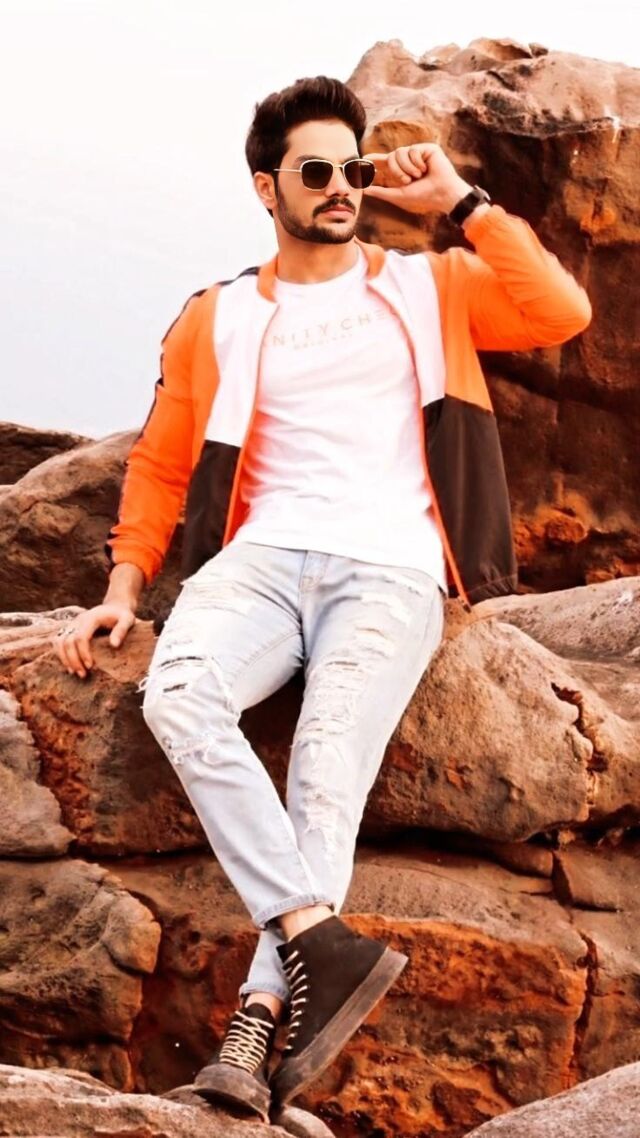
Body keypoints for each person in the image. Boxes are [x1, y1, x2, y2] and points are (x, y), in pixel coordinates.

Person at [53, 75, 591, 1123]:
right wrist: (121, 589)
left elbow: (560, 311)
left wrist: (460, 202)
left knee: (327, 762)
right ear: (267, 188)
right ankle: (316, 937)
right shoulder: (215, 317)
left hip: (390, 566)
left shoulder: (430, 284)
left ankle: (256, 1022)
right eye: (316, 170)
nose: (341, 186)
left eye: (352, 168)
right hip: (257, 562)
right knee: (180, 694)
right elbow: (160, 464)